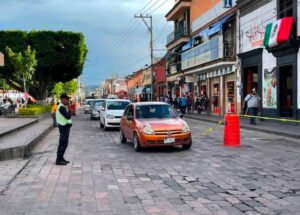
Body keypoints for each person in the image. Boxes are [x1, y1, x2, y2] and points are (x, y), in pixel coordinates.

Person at [56, 94, 72, 165]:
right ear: (62, 99)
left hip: (65, 127)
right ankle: (59, 159)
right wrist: (70, 109)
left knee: (65, 143)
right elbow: (68, 116)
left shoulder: (64, 107)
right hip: (63, 127)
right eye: (67, 99)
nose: (68, 100)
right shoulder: (61, 107)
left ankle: (61, 158)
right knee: (63, 143)